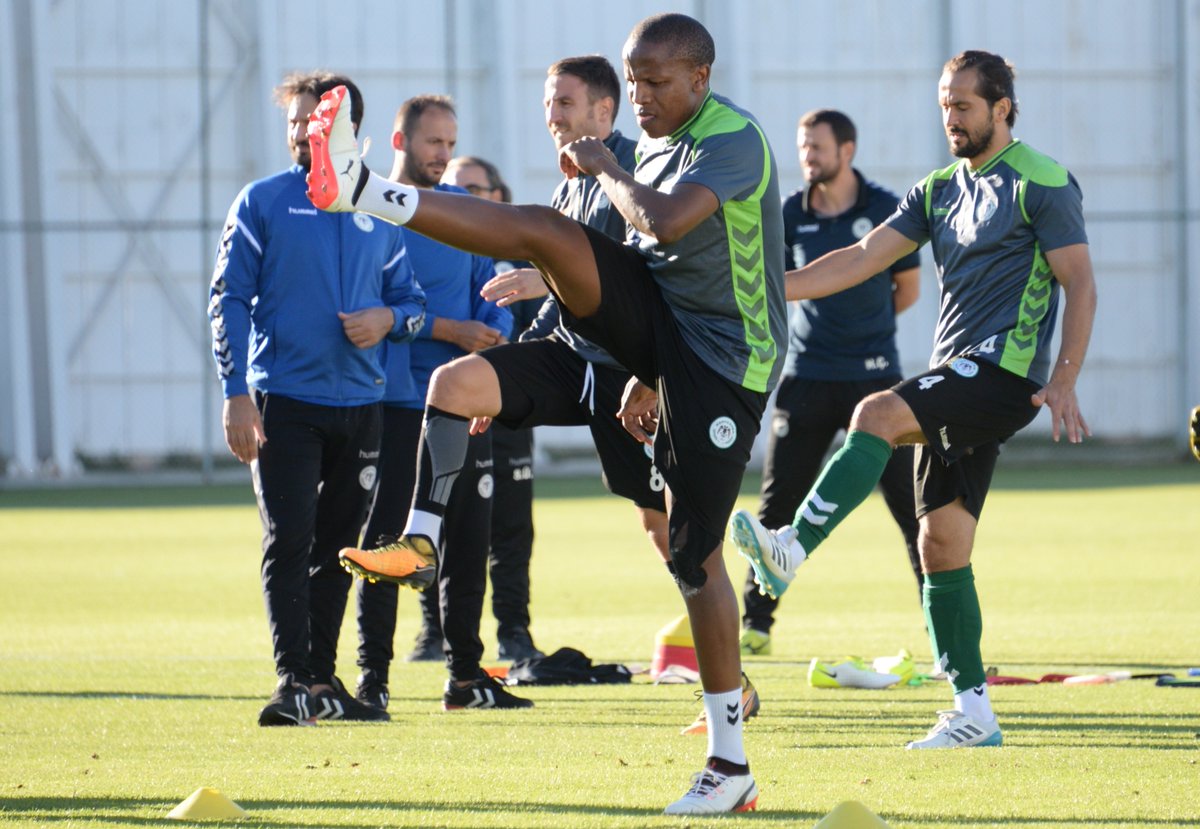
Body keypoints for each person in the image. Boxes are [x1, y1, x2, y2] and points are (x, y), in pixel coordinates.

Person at [307, 14, 784, 814]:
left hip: (719, 369)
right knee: (461, 376)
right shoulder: (648, 143)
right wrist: (584, 315)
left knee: (691, 560)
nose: (641, 97)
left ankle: (730, 764)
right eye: (633, 82)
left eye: (655, 82)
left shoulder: (731, 139)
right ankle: (423, 534)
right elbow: (628, 269)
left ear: (700, 79)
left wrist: (602, 171)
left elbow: (660, 224)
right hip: (642, 353)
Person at [731, 50, 1097, 749]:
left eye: (963, 105)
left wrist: (1067, 375)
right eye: (943, 104)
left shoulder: (1042, 180)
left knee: (875, 413)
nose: (950, 117)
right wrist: (777, 287)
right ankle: (973, 714)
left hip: (1002, 375)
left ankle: (791, 546)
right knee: (941, 545)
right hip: (955, 374)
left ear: (1003, 108)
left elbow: (1079, 280)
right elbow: (863, 256)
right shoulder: (938, 188)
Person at [207, 70, 424, 726]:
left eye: (315, 120)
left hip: (361, 407)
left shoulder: (379, 210)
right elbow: (227, 298)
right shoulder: (263, 201)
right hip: (284, 403)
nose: (303, 131)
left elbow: (411, 304)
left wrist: (386, 321)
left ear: (347, 129)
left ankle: (322, 682)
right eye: (295, 121)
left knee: (339, 545)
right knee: (289, 538)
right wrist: (236, 393)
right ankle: (290, 679)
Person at [739, 109, 923, 658]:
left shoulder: (886, 208)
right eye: (802, 147)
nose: (808, 157)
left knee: (914, 510)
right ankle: (757, 624)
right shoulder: (790, 213)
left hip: (876, 383)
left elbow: (906, 291)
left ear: (847, 150)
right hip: (807, 378)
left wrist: (861, 333)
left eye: (817, 147)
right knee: (777, 507)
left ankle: (939, 626)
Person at [351, 96, 514, 709]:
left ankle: (467, 678)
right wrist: (453, 330)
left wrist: (489, 332)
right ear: (400, 142)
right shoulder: (371, 218)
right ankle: (372, 682)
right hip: (397, 405)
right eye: (432, 144)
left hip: (469, 403)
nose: (444, 155)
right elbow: (371, 312)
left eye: (451, 143)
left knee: (470, 539)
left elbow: (491, 289)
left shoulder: (467, 212)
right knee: (390, 544)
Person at [443, 154, 546, 662]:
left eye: (476, 190)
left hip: (506, 416)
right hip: (444, 412)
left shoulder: (523, 263)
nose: (465, 200)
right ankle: (435, 636)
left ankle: (514, 633)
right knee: (437, 524)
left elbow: (543, 334)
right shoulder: (434, 253)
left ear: (498, 197)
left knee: (511, 531)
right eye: (453, 190)